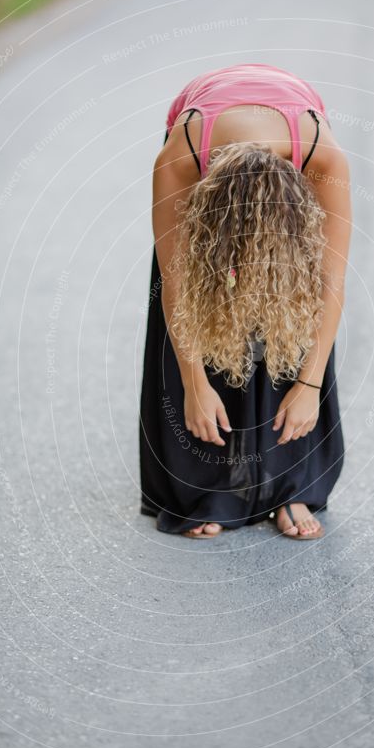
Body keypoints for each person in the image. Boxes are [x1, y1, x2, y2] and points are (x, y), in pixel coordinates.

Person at [139, 62, 351, 539]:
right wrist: (194, 385)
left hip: (293, 180)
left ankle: (289, 485)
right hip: (205, 169)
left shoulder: (323, 157)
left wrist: (309, 385)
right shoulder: (181, 159)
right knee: (206, 301)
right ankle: (208, 486)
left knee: (291, 300)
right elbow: (175, 284)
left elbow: (330, 280)